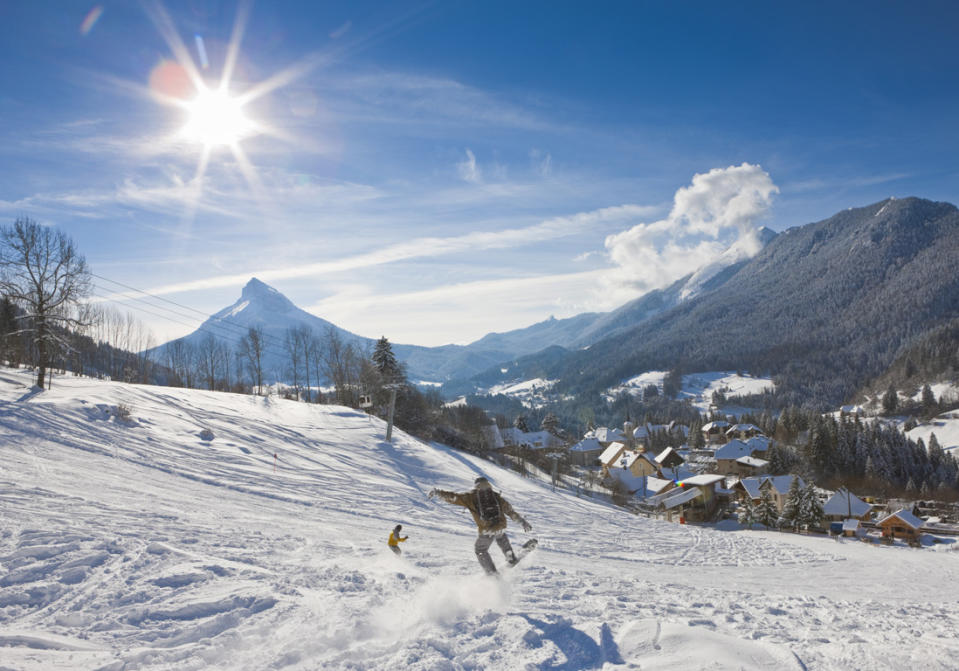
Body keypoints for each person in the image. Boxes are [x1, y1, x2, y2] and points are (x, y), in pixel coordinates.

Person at [429, 476, 532, 575]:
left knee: (480, 549)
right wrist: (522, 522)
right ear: (488, 485)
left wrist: (438, 492)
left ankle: (491, 573)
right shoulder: (496, 496)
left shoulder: (470, 497)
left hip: (486, 529)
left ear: (476, 486)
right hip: (500, 526)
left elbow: (454, 497)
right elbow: (510, 511)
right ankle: (510, 556)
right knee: (501, 537)